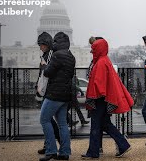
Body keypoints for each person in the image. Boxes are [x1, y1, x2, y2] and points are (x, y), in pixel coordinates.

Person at [81, 38, 133, 159]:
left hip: (99, 99)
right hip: (104, 98)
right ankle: (123, 145)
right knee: (105, 124)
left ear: (98, 49)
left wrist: (93, 97)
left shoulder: (100, 63)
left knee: (96, 125)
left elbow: (98, 84)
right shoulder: (105, 60)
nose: (91, 51)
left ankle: (93, 152)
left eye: (93, 49)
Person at [39, 32, 75, 161]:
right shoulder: (71, 56)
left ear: (57, 43)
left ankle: (51, 151)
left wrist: (44, 66)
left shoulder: (57, 55)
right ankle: (64, 153)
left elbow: (48, 73)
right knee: (63, 124)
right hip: (66, 94)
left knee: (44, 119)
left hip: (54, 94)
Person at [35, 32, 61, 155]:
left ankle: (55, 143)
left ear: (47, 44)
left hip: (50, 91)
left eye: (42, 45)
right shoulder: (46, 55)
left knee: (47, 119)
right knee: (48, 120)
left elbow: (47, 73)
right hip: (48, 90)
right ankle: (49, 144)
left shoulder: (50, 55)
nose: (40, 47)